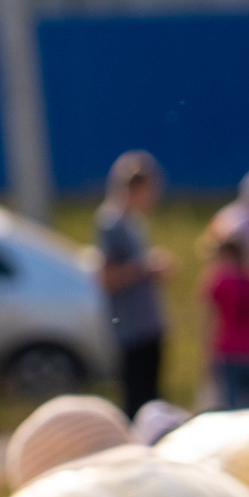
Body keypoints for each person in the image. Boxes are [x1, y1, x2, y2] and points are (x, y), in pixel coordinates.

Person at [93, 151, 173, 416]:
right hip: (130, 328)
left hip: (146, 324)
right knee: (138, 402)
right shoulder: (111, 223)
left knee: (152, 398)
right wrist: (145, 268)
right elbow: (107, 277)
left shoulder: (134, 221)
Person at [200, 231, 249, 411]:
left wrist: (207, 357)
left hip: (229, 351)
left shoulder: (219, 282)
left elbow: (211, 322)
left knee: (232, 411)